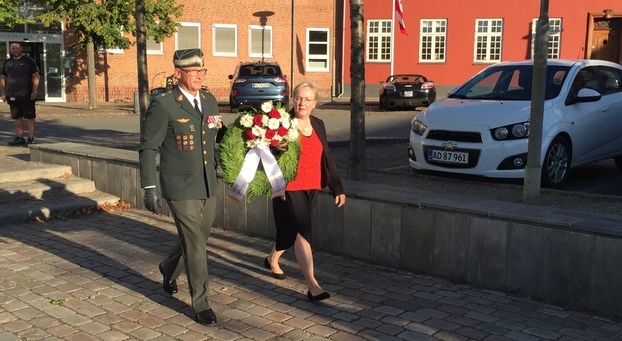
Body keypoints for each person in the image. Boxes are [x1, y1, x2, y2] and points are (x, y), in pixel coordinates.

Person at [139, 48, 225, 325]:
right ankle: (201, 303)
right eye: (193, 71)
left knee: (199, 239)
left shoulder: (210, 101)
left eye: (202, 71)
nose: (199, 75)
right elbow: (149, 147)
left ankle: (168, 267)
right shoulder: (164, 104)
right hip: (179, 185)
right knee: (197, 248)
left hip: (207, 182)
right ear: (178, 73)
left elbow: (216, 134)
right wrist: (149, 186)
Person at [264, 81, 346, 301]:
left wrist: (337, 187)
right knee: (303, 232)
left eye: (307, 99)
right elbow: (269, 149)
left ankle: (272, 258)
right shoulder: (282, 122)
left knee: (290, 231)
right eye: (298, 98)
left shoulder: (318, 124)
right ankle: (313, 285)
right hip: (289, 186)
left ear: (314, 103)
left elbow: (326, 157)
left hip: (312, 185)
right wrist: (274, 147)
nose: (302, 103)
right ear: (293, 99)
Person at [0, 42, 40, 146]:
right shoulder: (7, 63)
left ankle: (31, 138)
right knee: (17, 117)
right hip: (12, 95)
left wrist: (34, 91)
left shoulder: (29, 61)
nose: (15, 50)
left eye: (17, 48)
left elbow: (36, 76)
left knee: (30, 117)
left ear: (21, 49)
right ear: (10, 50)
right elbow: (3, 78)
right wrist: (3, 93)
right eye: (13, 49)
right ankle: (20, 137)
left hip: (27, 94)